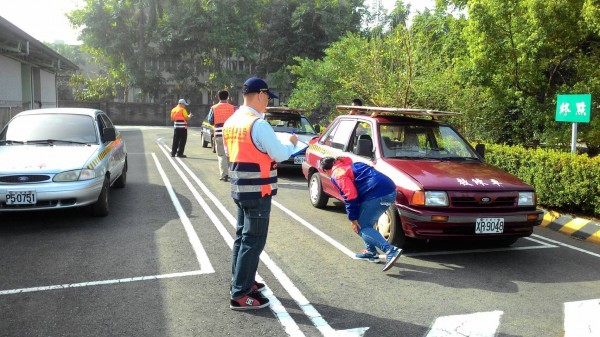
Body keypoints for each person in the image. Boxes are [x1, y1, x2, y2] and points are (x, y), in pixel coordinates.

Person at [223, 77, 299, 310]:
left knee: (242, 238)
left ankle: (240, 281)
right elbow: (279, 154)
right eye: (267, 98)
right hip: (258, 190)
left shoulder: (232, 121)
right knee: (253, 241)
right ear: (260, 95)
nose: (267, 102)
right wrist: (293, 144)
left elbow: (229, 152)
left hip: (240, 187)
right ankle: (241, 294)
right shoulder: (258, 124)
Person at [320, 156, 402, 272]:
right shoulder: (353, 165)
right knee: (366, 222)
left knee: (360, 226)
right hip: (390, 191)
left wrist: (352, 218)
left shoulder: (337, 174)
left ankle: (390, 250)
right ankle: (371, 252)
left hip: (376, 194)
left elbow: (350, 195)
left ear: (325, 170)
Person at [207, 90, 235, 181]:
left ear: (218, 97)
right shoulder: (233, 108)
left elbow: (210, 121)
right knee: (230, 155)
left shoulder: (214, 108)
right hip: (231, 134)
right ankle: (230, 173)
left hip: (219, 134)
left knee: (221, 155)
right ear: (228, 97)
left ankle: (224, 174)